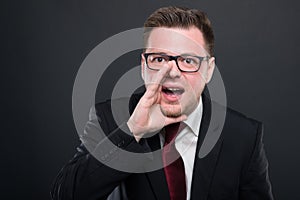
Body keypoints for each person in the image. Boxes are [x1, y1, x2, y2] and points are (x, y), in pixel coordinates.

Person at [51, 6, 274, 200]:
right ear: (143, 66)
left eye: (188, 60)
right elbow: (66, 195)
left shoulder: (243, 135)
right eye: (159, 59)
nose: (172, 72)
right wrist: (132, 132)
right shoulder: (108, 118)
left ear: (209, 70)